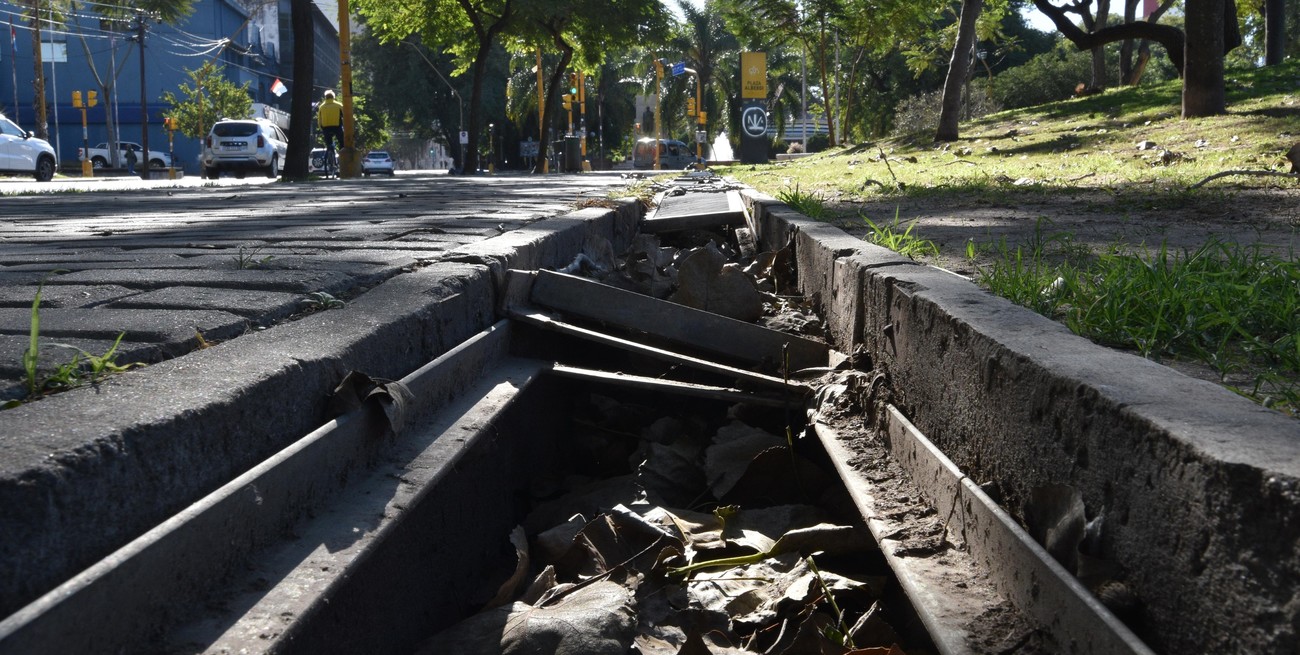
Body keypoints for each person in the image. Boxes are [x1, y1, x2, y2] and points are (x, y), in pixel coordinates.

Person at [317, 90, 344, 169]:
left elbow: (319, 120)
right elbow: (344, 116)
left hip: (326, 128)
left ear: (325, 97)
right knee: (341, 141)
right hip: (337, 126)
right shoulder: (339, 105)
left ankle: (330, 155)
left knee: (329, 142)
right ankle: (342, 156)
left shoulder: (321, 106)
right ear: (333, 97)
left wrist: (321, 127)